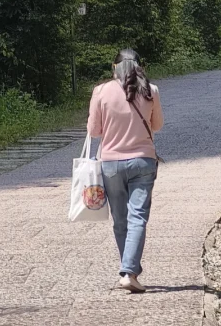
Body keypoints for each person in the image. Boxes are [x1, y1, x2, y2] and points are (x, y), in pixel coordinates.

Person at [87, 48, 164, 293]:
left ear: (114, 68)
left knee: (120, 220)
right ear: (140, 67)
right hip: (143, 162)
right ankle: (129, 272)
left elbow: (94, 131)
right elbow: (157, 125)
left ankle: (129, 270)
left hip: (110, 164)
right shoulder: (151, 90)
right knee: (137, 217)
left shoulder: (101, 91)